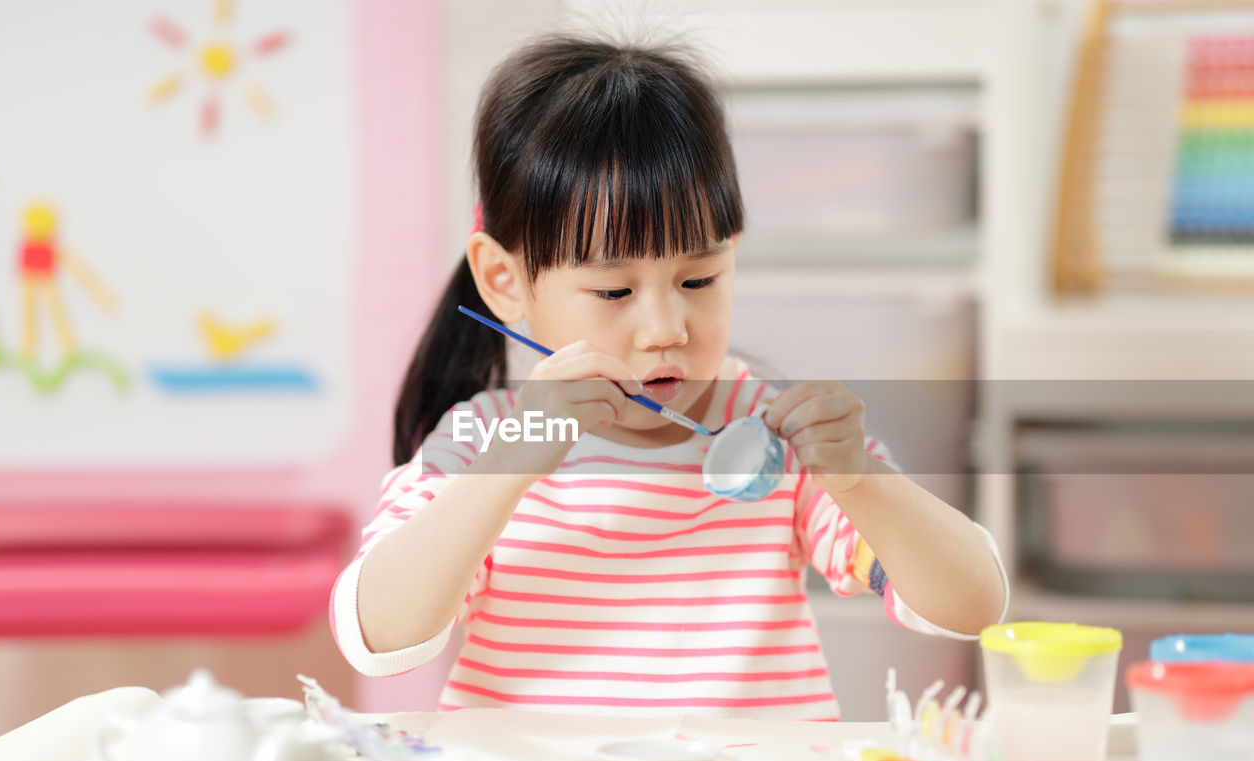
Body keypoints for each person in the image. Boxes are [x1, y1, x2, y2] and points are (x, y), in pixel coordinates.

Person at [330, 35, 1007, 719]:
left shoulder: (774, 438)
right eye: (615, 292)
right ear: (506, 281)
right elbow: (380, 637)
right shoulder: (483, 440)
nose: (666, 328)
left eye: (698, 278)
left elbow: (974, 606)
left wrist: (860, 480)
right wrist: (510, 464)